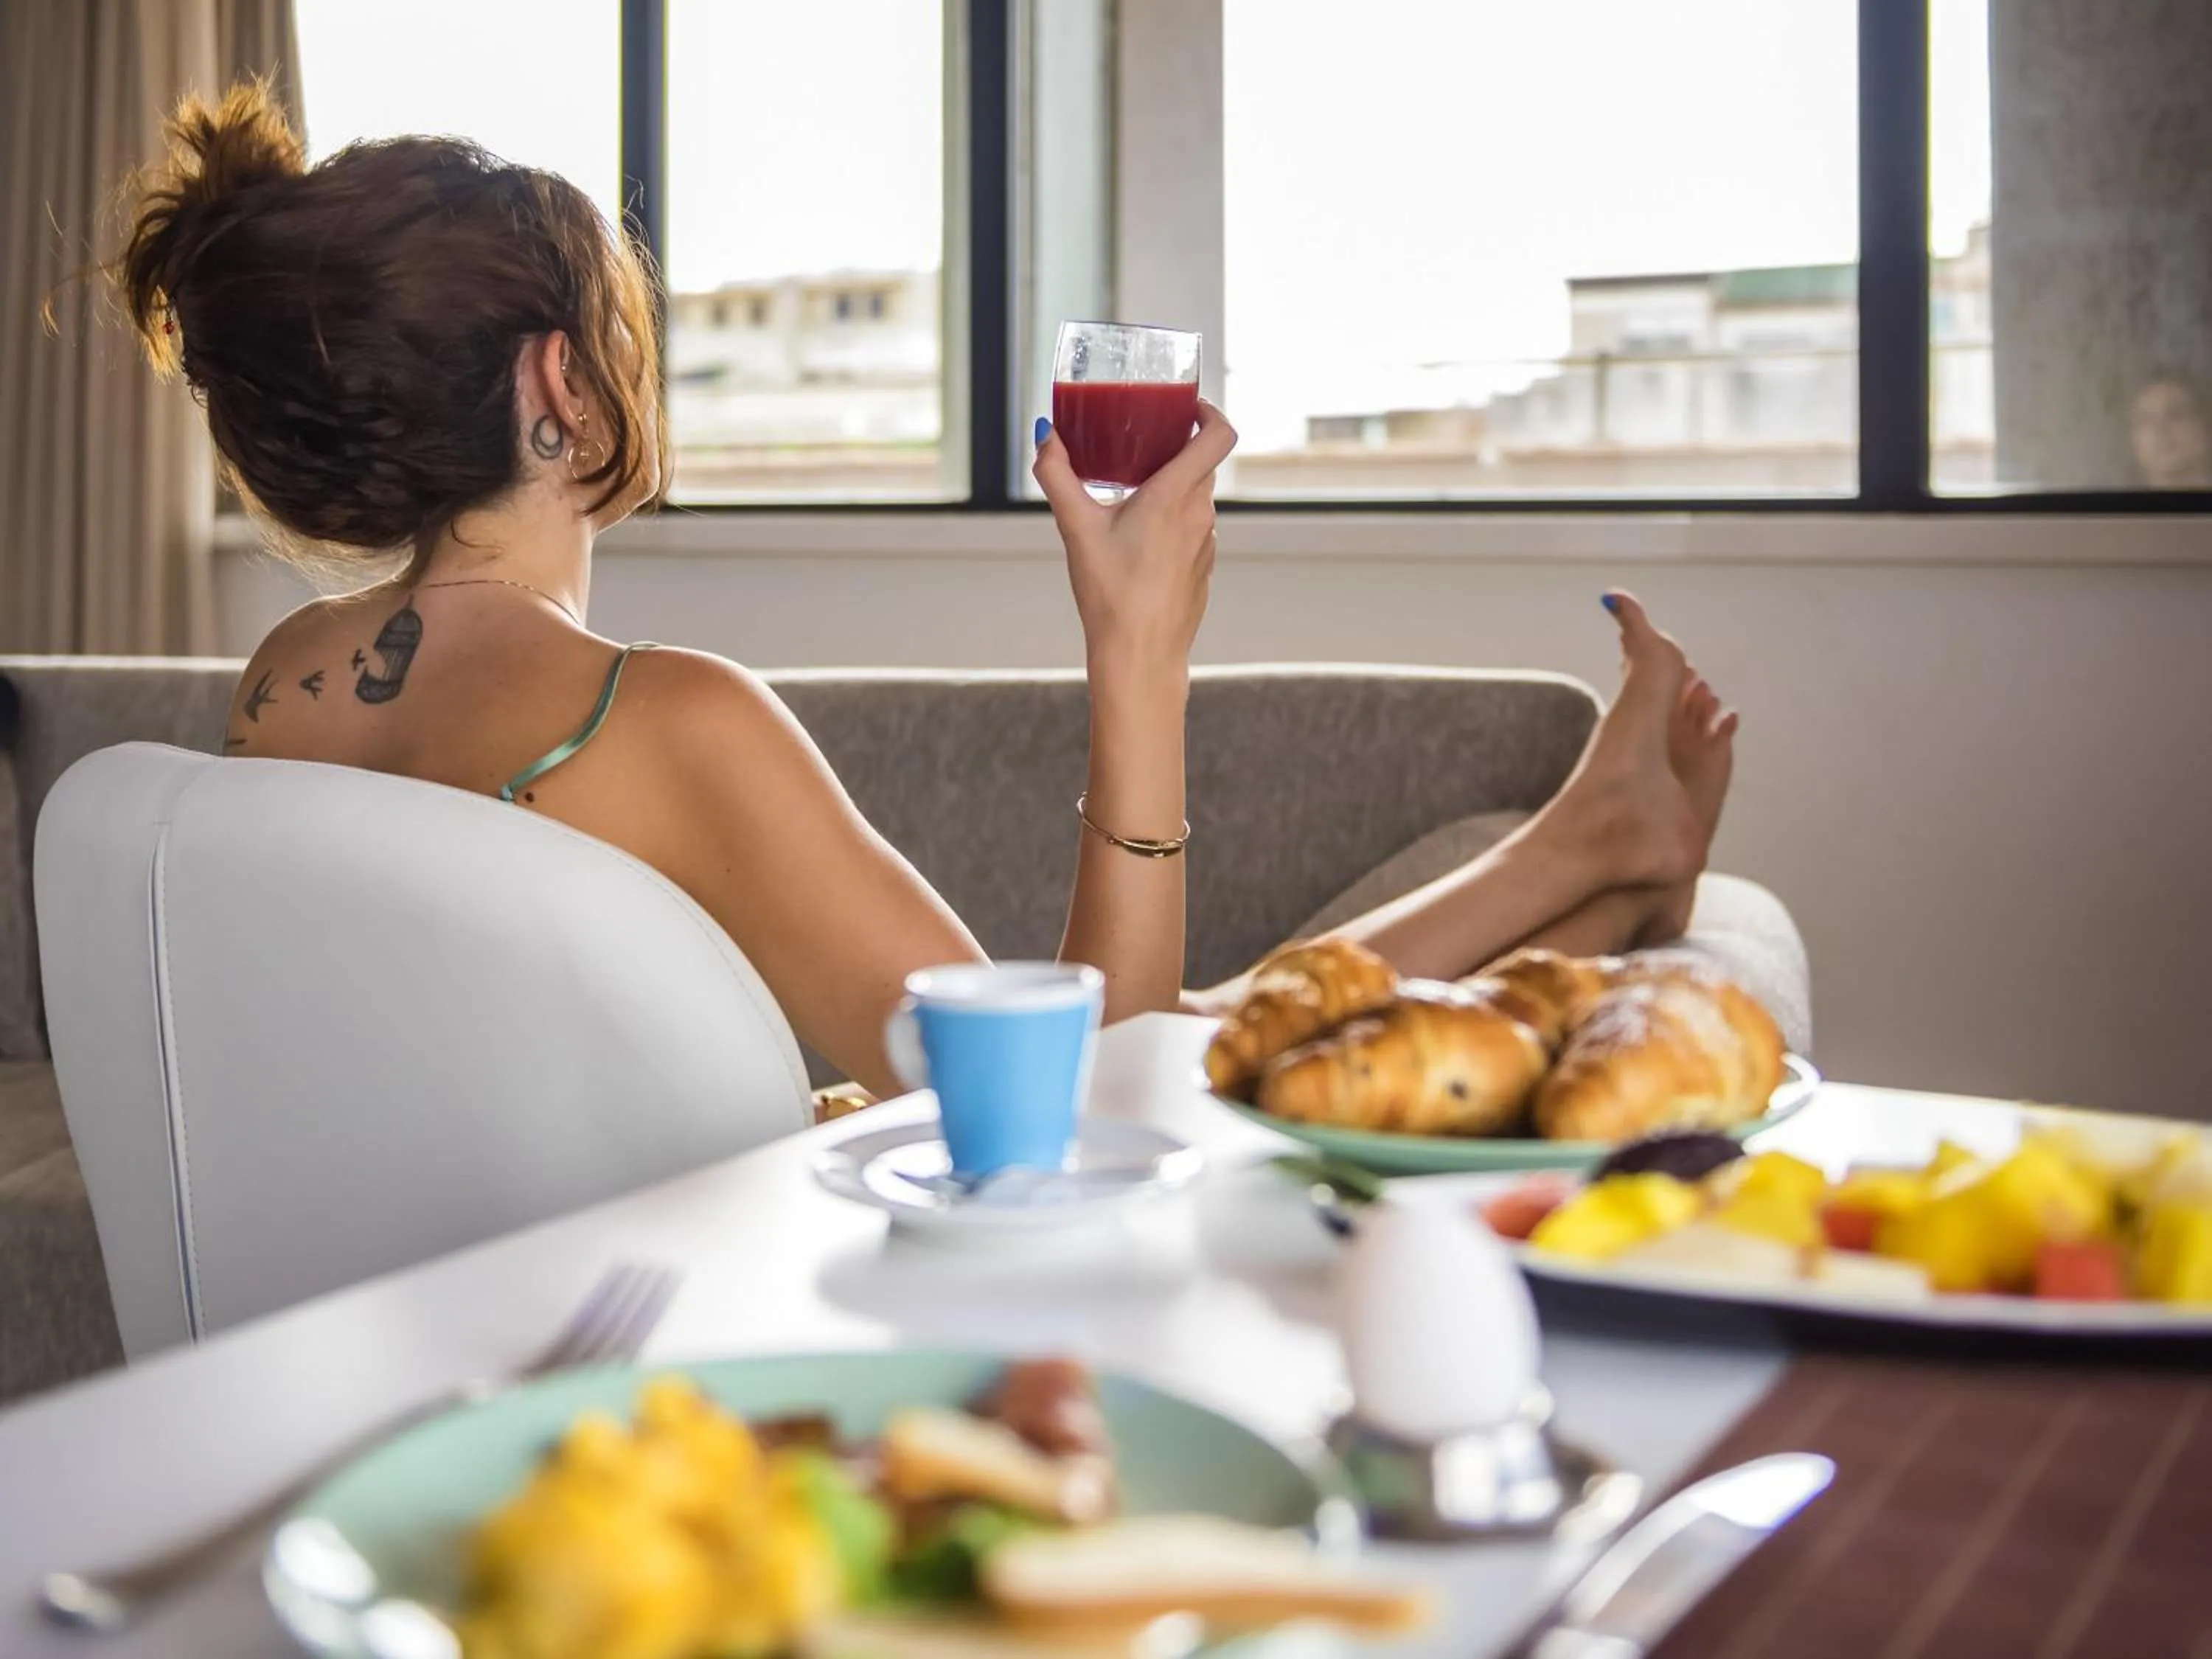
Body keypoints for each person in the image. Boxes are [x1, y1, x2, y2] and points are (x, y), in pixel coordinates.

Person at [114, 81, 1735, 1102]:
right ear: (563, 389)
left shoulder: (283, 691)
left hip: (477, 1359)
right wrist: (1138, 657)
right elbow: (1086, 1094)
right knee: (1173, 1050)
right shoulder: (665, 723)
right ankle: (1588, 862)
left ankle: (1590, 869)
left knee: (1237, 1019)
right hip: (709, 1377)